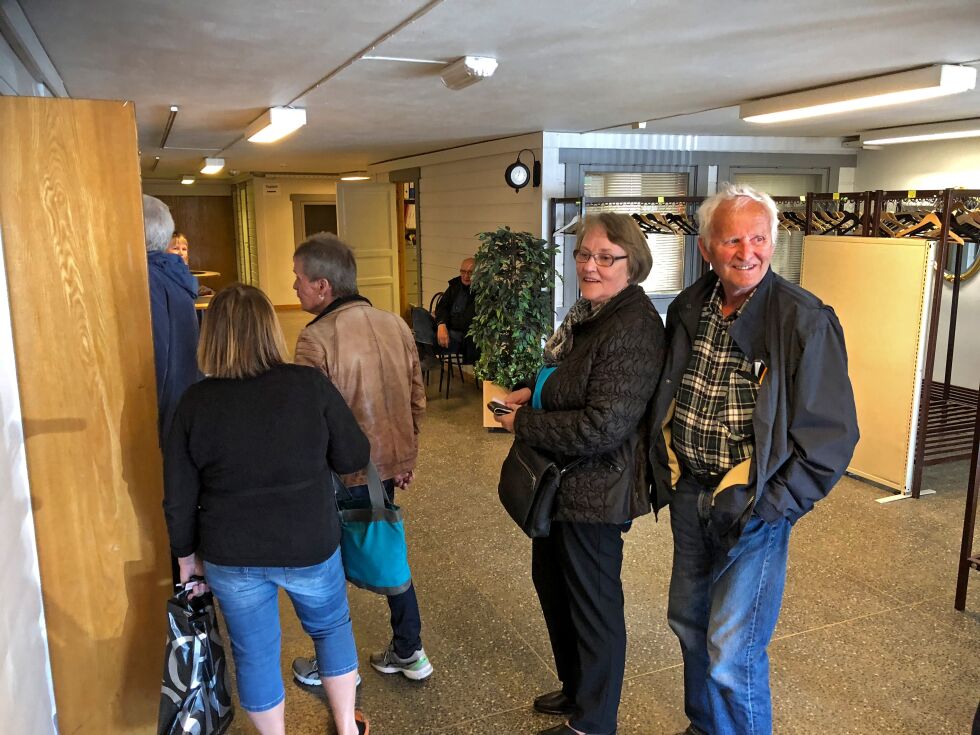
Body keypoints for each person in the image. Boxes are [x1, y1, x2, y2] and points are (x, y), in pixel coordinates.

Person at [649, 183, 859, 735]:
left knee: (730, 650)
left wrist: (773, 507)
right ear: (706, 248)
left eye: (759, 238)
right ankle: (704, 727)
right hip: (691, 491)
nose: (748, 252)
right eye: (733, 239)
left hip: (752, 506)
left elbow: (832, 438)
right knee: (689, 624)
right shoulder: (690, 305)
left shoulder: (804, 320)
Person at [163, 284, 371, 735]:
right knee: (331, 629)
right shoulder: (308, 385)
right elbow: (354, 456)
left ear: (210, 337)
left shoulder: (194, 404)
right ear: (270, 330)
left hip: (231, 552)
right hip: (309, 541)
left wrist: (186, 560)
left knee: (254, 654)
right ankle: (346, 728)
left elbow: (178, 497)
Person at [495, 213, 665, 735]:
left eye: (605, 257)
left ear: (631, 265)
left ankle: (594, 721)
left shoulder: (633, 327)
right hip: (563, 485)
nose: (590, 265)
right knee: (553, 585)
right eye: (584, 254)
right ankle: (576, 688)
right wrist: (531, 387)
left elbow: (601, 427)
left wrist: (525, 421)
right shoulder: (591, 312)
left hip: (597, 491)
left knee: (593, 606)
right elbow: (564, 373)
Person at [289, 232, 431, 686]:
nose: (294, 287)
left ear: (323, 287)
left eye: (299, 279)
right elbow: (416, 399)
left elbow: (309, 421)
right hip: (383, 468)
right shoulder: (396, 324)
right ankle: (410, 650)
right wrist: (403, 459)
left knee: (325, 566)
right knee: (388, 548)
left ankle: (336, 668)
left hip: (336, 472)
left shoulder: (315, 339)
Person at [144, 195, 199, 446]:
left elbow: (157, 354)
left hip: (164, 405)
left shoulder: (149, 281)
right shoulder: (175, 277)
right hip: (184, 395)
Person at [434, 257, 478, 364]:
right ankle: (426, 350)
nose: (466, 276)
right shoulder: (455, 285)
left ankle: (427, 353)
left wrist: (444, 321)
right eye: (463, 271)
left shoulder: (480, 292)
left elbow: (466, 321)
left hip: (461, 337)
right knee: (418, 312)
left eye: (470, 273)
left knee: (419, 340)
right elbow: (442, 306)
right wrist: (441, 324)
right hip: (444, 329)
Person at [168, 231, 214, 295]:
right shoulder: (163, 273)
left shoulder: (186, 273)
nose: (181, 253)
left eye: (184, 249)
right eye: (176, 248)